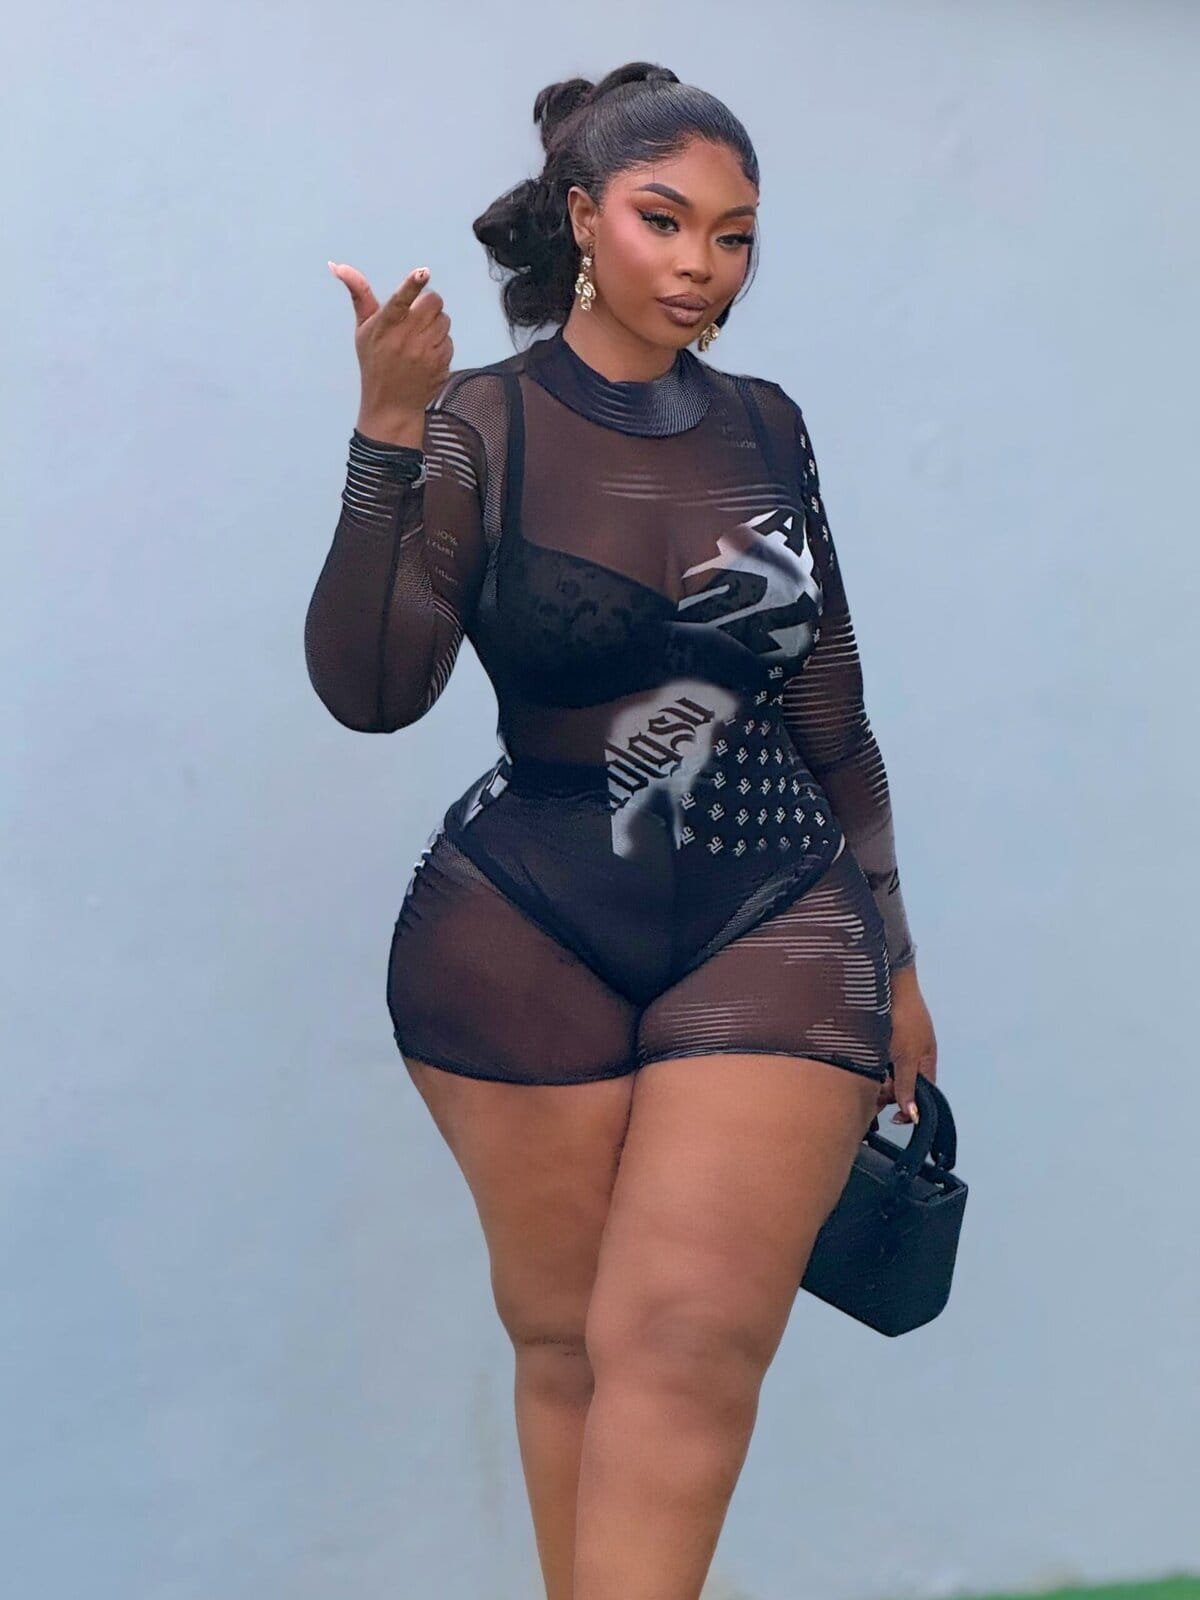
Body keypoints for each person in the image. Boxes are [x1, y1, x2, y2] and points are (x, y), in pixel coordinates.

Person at [308, 60, 938, 1600]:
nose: (703, 264)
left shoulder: (769, 428)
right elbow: (375, 693)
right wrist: (386, 434)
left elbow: (832, 706)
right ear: (583, 218)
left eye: (736, 235)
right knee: (568, 1342)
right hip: (524, 930)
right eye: (668, 220)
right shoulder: (481, 422)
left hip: (776, 912)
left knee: (691, 1343)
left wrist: (900, 959)